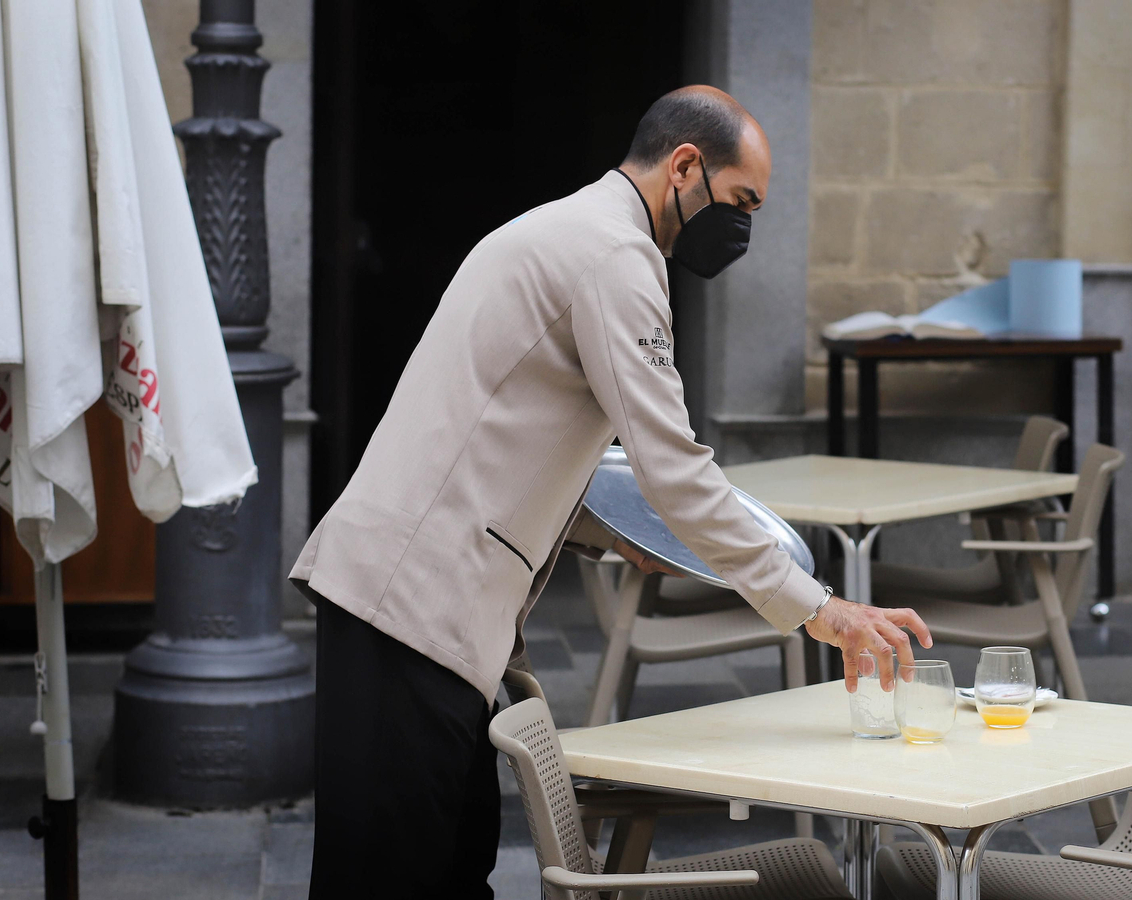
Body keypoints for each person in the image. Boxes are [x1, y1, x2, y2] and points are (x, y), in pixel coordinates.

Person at [292, 85, 932, 898]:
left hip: (414, 601)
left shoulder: (570, 229)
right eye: (741, 201)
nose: (743, 225)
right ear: (686, 166)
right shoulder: (616, 256)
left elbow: (508, 429)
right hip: (413, 605)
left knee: (449, 871)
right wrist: (819, 609)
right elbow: (675, 470)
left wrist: (604, 532)